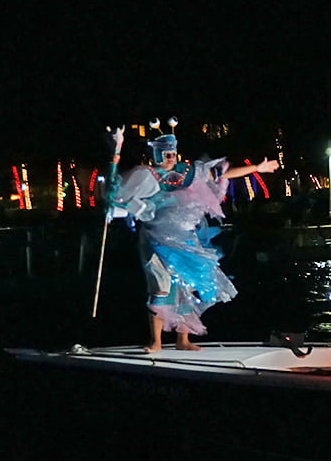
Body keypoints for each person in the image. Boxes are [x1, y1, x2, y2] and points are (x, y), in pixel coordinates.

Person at [107, 124, 280, 352]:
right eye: (164, 154)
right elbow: (117, 194)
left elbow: (224, 173)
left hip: (185, 237)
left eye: (171, 153)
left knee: (187, 288)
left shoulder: (189, 172)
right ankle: (156, 341)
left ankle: (183, 340)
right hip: (156, 239)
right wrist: (116, 152)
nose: (168, 158)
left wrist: (258, 167)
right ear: (156, 154)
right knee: (160, 287)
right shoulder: (146, 176)